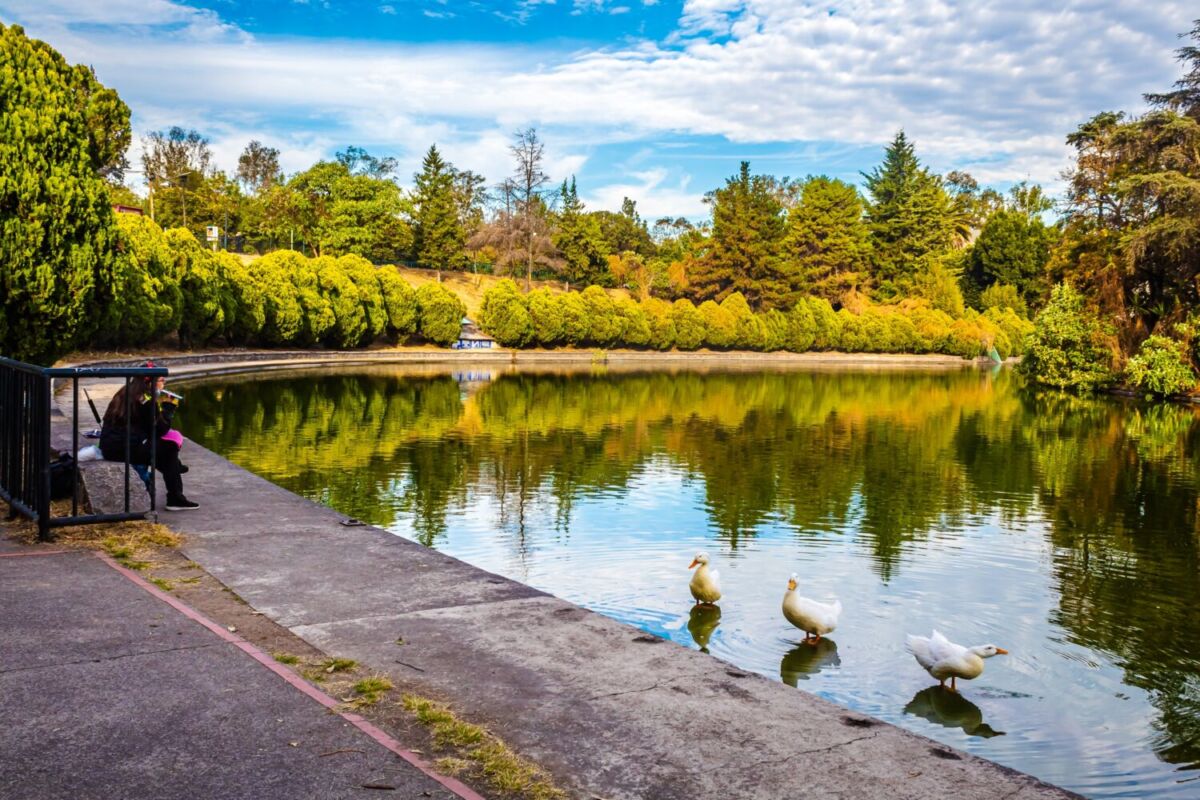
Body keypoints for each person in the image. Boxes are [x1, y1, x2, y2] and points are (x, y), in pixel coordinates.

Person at [99, 363, 199, 511]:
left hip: (110, 446)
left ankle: (176, 491)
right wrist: (168, 410)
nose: (164, 383)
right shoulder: (145, 400)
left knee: (164, 452)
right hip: (124, 449)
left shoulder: (125, 392)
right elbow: (159, 430)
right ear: (149, 382)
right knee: (170, 449)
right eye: (161, 380)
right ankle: (175, 497)